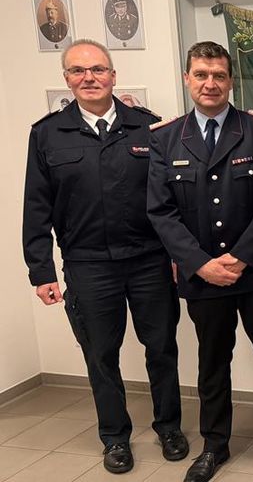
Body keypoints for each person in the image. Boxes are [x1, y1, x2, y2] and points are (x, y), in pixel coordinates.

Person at [22, 39, 188, 474]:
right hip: (88, 264)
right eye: (78, 71)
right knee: (101, 355)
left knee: (162, 348)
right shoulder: (47, 134)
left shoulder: (148, 128)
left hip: (150, 260)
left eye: (97, 69)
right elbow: (36, 207)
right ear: (67, 79)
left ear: (113, 75)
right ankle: (115, 438)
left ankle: (169, 426)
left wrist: (178, 254)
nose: (89, 78)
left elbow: (171, 200)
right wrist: (40, 270)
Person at [147, 42, 253, 482]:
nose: (210, 83)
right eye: (201, 75)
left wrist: (241, 256)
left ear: (232, 80)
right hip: (202, 278)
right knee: (212, 362)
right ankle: (215, 445)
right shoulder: (165, 138)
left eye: (218, 75)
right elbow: (161, 211)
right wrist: (200, 263)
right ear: (187, 79)